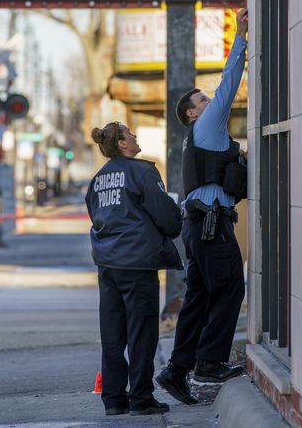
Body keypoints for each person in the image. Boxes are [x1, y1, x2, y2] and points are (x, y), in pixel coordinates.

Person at [155, 8, 249, 405]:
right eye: (202, 100)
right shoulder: (206, 126)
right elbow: (229, 84)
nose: (210, 101)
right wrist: (241, 37)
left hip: (200, 227)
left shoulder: (207, 139)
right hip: (211, 227)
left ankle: (177, 370)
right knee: (230, 287)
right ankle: (209, 362)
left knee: (199, 298)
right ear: (192, 113)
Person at [85, 122, 183, 416]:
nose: (135, 137)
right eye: (131, 134)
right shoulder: (142, 172)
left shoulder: (98, 179)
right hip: (138, 263)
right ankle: (141, 398)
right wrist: (175, 221)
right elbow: (165, 215)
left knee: (113, 335)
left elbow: (95, 214)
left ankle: (114, 400)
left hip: (108, 264)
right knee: (142, 333)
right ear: (122, 144)